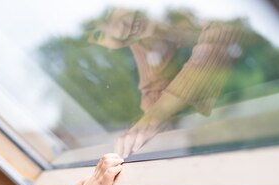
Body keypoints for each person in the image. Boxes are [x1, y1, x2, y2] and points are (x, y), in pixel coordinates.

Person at [88, 8, 246, 157]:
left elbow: (223, 35)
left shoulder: (199, 10)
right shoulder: (141, 38)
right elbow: (154, 89)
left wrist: (155, 117)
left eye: (107, 14)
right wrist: (142, 128)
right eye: (99, 35)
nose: (119, 32)